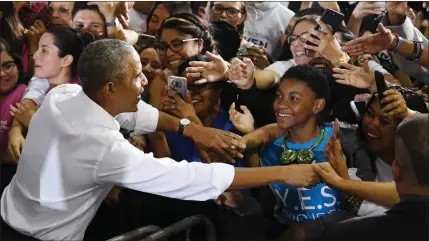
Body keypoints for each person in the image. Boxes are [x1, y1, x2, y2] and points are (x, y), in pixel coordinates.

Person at [0, 39, 323, 241]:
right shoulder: (103, 148)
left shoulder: (65, 94)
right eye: (136, 76)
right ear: (110, 88)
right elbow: (189, 177)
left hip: (10, 212)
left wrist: (191, 128)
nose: (146, 82)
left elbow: (137, 113)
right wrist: (283, 172)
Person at [318, 113, 429, 241]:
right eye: (370, 114)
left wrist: (342, 182)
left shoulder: (343, 234)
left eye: (384, 121)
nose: (373, 124)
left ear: (396, 170)